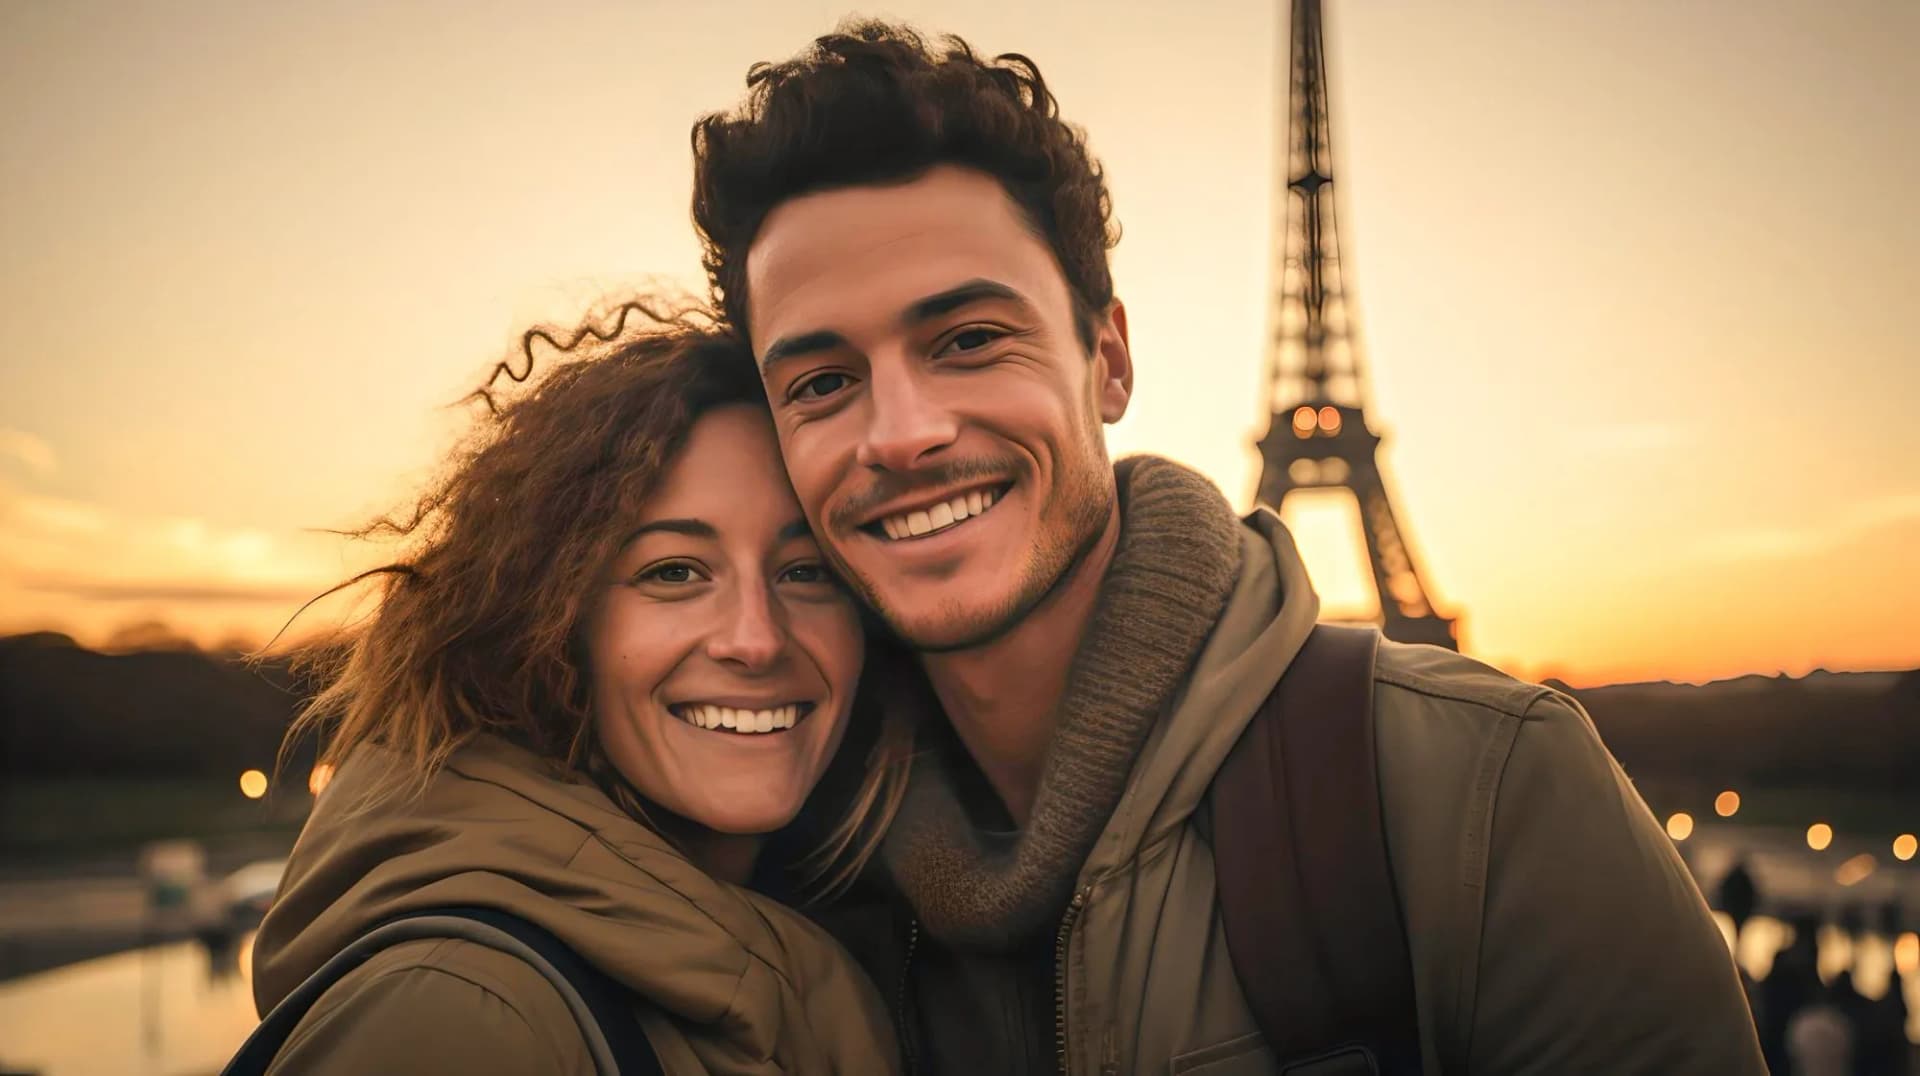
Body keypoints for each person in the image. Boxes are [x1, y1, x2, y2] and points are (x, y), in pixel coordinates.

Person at [688, 21, 1768, 1074]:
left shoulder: (1490, 787)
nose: (902, 433)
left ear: (1109, 361)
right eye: (822, 381)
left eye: (970, 339)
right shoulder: (789, 863)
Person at [247, 303, 904, 1074]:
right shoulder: (459, 1015)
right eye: (674, 572)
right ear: (554, 624)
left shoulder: (868, 927)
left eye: (806, 571)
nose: (757, 639)